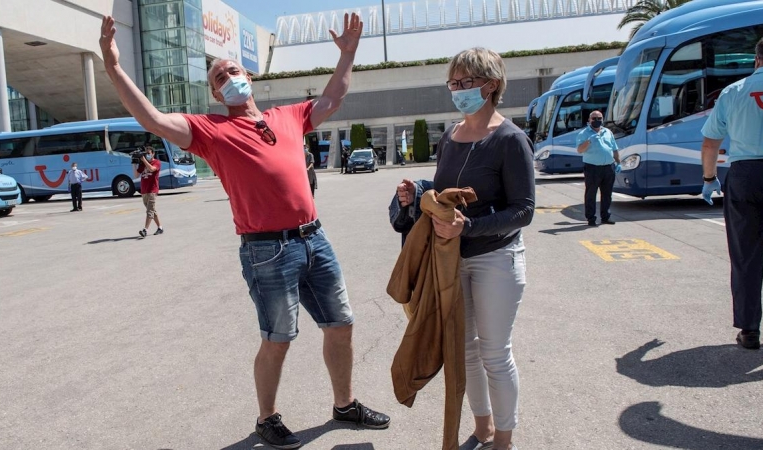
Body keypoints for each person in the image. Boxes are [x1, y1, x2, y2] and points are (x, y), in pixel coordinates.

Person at [100, 12, 389, 449]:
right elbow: (154, 119)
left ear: (248, 76)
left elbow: (332, 98)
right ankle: (266, 419)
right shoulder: (210, 130)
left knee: (341, 324)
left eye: (233, 70)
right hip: (267, 251)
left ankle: (344, 404)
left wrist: (347, 55)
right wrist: (113, 66)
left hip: (315, 238)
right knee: (278, 338)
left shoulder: (288, 115)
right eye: (220, 77)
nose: (229, 77)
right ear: (216, 93)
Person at [396, 47, 535, 450]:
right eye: (453, 83)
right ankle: (483, 427)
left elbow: (523, 211)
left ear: (491, 85)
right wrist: (419, 193)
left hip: (497, 259)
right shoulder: (451, 136)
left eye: (466, 83)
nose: (457, 91)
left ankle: (504, 440)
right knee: (465, 353)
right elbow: (447, 192)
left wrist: (469, 226)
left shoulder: (511, 139)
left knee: (494, 353)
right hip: (452, 259)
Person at [701, 33, 763, 351]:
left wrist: (709, 178)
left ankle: (750, 329)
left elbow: (711, 141)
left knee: (745, 256)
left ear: (757, 59)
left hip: (746, 175)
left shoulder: (733, 92)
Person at [575, 110, 621, 226]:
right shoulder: (584, 133)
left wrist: (618, 163)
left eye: (599, 118)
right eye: (594, 118)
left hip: (608, 167)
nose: (597, 121)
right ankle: (591, 218)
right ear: (589, 120)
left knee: (607, 194)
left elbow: (614, 149)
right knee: (591, 194)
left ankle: (606, 216)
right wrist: (589, 141)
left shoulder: (608, 132)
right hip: (592, 168)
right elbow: (580, 150)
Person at [133, 146, 163, 238]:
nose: (147, 156)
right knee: (152, 210)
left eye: (148, 154)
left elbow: (151, 169)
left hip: (152, 190)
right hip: (144, 190)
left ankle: (145, 230)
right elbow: (136, 175)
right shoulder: (143, 164)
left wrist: (143, 159)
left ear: (153, 154)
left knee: (150, 210)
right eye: (146, 154)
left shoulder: (157, 162)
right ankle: (160, 228)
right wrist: (134, 163)